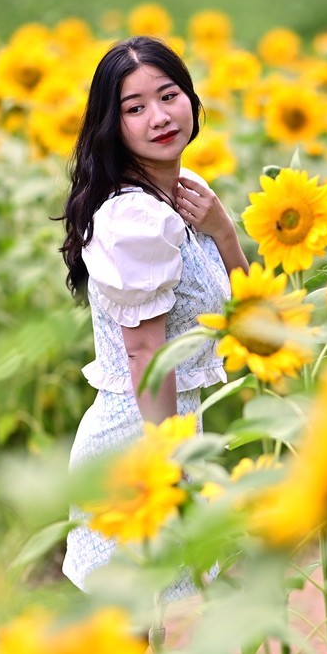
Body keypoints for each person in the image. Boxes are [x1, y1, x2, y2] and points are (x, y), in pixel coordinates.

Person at [57, 36, 247, 598]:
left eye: (169, 96)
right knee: (134, 628)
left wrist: (224, 231)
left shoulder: (189, 198)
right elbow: (146, 354)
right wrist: (170, 472)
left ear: (191, 99)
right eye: (134, 108)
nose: (159, 117)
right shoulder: (133, 218)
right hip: (138, 447)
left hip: (174, 437)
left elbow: (252, 314)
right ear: (112, 126)